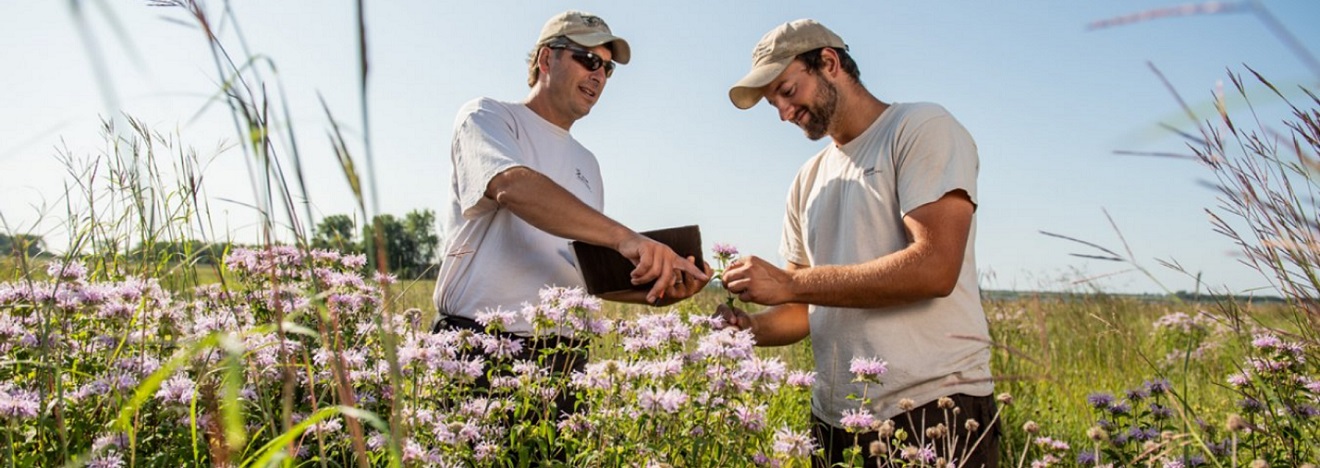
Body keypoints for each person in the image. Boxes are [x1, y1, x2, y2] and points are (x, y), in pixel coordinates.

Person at [718, 19, 999, 467]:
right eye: (775, 104)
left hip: (933, 410)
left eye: (788, 92)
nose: (784, 113)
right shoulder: (807, 179)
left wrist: (791, 284)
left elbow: (936, 267)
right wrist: (746, 330)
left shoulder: (920, 128)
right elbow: (803, 310)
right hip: (837, 422)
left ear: (829, 63)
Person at [431, 8, 710, 412]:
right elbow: (511, 185)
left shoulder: (588, 163)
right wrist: (627, 238)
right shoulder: (488, 117)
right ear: (547, 59)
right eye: (589, 59)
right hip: (479, 350)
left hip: (562, 360)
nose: (599, 75)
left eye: (608, 69)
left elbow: (577, 272)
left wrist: (657, 287)